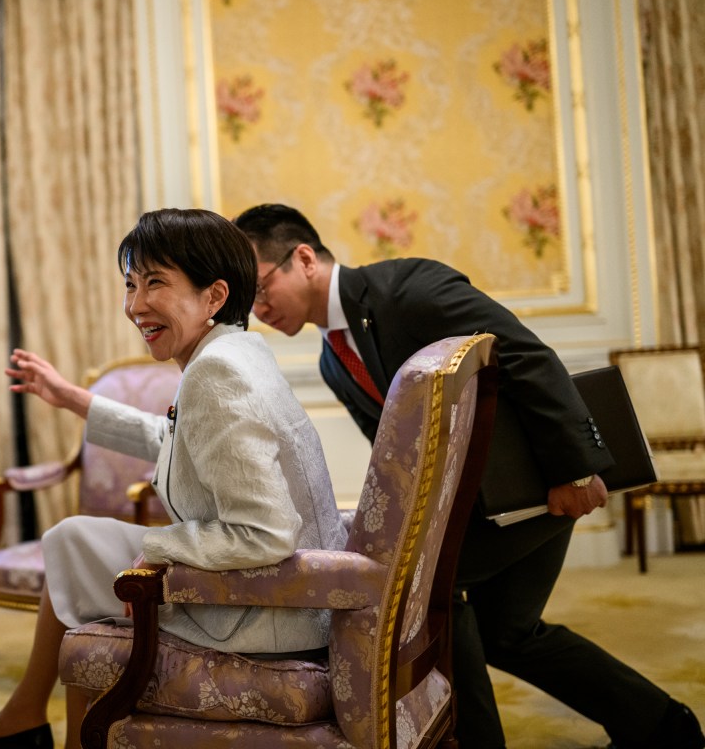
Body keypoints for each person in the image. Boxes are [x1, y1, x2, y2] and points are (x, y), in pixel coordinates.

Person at [235, 202, 704, 749]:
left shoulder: (408, 288)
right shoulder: (332, 361)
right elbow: (398, 454)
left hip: (537, 483)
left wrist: (575, 469)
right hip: (477, 506)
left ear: (304, 258)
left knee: (432, 586)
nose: (260, 309)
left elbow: (526, 355)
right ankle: (666, 728)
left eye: (262, 289)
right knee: (510, 634)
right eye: (250, 303)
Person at [0, 208, 345, 749]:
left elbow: (266, 532)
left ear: (214, 296)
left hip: (270, 611)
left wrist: (158, 548)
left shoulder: (217, 373)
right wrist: (71, 398)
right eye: (131, 284)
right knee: (73, 540)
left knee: (78, 552)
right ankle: (27, 719)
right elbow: (177, 441)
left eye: (156, 282)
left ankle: (31, 723)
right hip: (287, 595)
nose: (135, 305)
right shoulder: (236, 350)